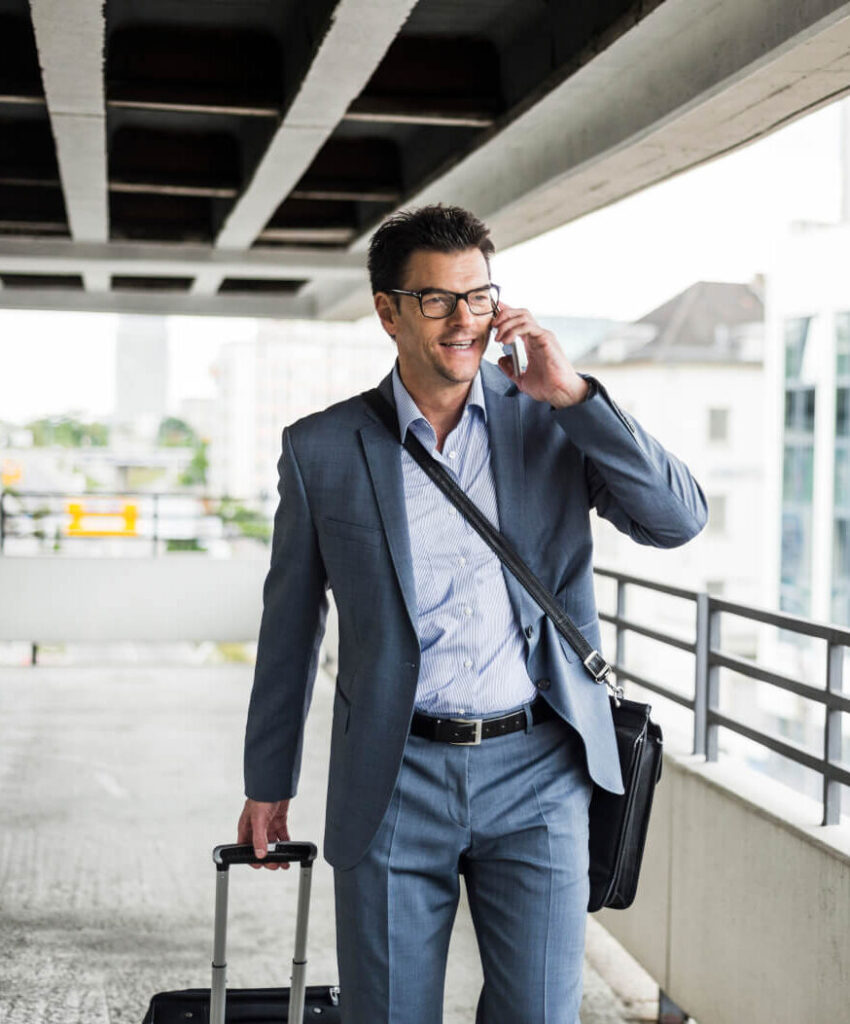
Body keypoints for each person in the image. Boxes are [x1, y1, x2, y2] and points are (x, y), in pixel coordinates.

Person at [237, 205, 707, 1023]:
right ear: (387, 311)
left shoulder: (553, 420)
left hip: (540, 773)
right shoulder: (322, 449)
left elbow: (677, 521)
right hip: (393, 777)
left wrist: (575, 394)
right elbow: (290, 624)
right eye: (438, 300)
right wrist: (266, 783)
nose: (466, 322)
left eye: (480, 297)